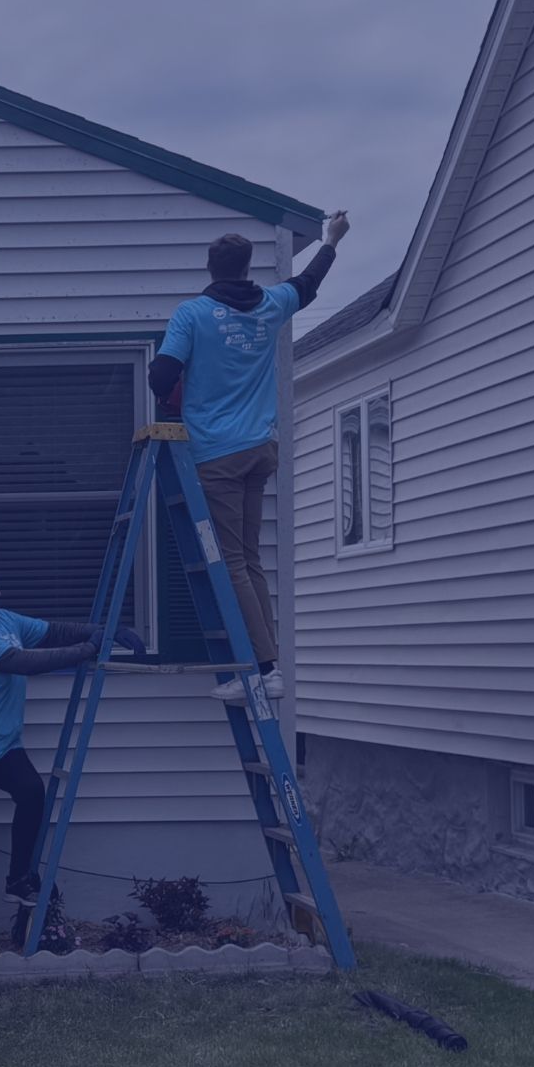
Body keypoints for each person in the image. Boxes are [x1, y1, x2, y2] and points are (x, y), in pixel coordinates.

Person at [149, 211, 350, 703]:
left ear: (211, 269)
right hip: (262, 448)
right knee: (251, 561)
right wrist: (331, 239)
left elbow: (160, 377)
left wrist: (182, 389)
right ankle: (269, 665)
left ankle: (262, 670)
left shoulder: (192, 314)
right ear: (245, 268)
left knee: (233, 562)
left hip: (217, 452)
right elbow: (308, 282)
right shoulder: (272, 304)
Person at [0, 558, 143, 944]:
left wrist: (111, 630)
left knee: (31, 794)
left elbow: (56, 631)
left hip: (2, 743)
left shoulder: (6, 620)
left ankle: (18, 879)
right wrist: (87, 649)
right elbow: (20, 663)